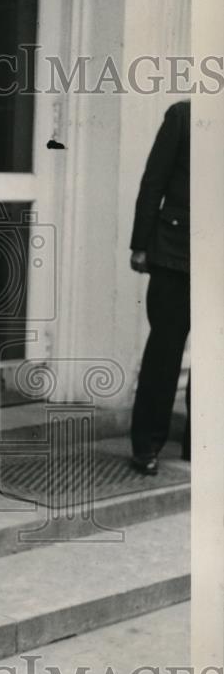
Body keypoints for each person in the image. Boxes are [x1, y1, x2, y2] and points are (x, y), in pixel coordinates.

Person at [129, 99, 190, 474]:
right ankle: (146, 446)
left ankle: (200, 445)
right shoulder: (183, 116)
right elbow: (154, 181)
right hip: (174, 254)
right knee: (164, 352)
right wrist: (140, 244)